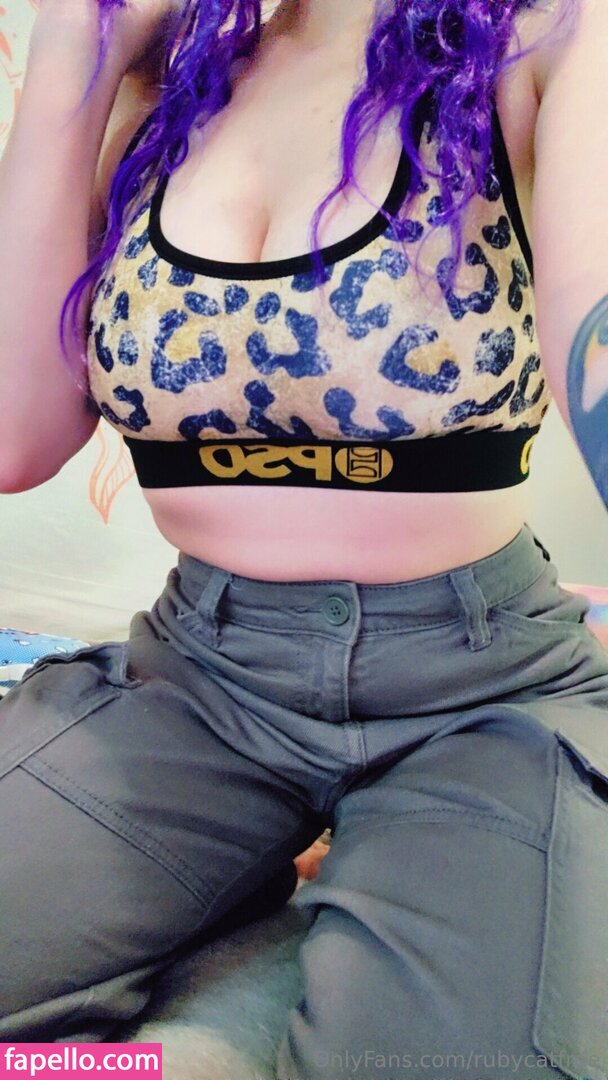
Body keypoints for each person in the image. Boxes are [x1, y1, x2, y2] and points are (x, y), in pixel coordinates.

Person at [0, 0, 607, 1075]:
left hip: (483, 692)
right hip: (194, 682)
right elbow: (16, 436)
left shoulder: (548, 37)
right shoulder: (168, 76)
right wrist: (71, 56)